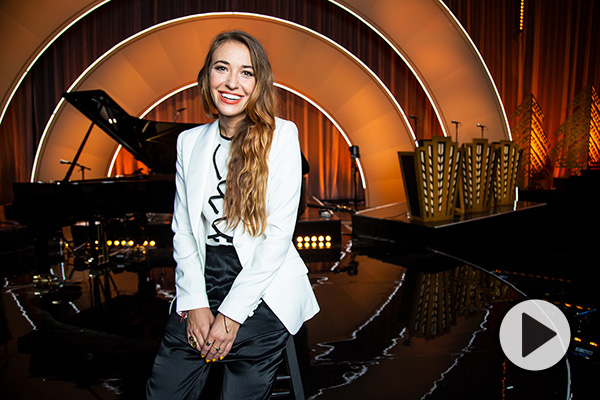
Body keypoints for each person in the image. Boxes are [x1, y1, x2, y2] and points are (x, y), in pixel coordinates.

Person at [146, 30, 319, 400]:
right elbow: (184, 232)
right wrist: (194, 304)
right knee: (163, 390)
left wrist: (230, 316)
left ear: (259, 83)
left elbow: (276, 239)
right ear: (207, 76)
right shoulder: (188, 143)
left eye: (246, 72)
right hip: (203, 276)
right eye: (221, 68)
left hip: (264, 284)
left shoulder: (282, 135)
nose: (231, 82)